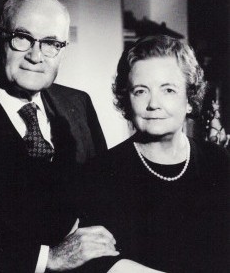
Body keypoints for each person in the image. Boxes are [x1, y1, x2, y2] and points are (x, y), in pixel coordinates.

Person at [0, 0, 118, 273]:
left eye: (51, 43)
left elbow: (103, 195)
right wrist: (48, 258)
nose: (36, 55)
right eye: (22, 38)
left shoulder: (78, 103)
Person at [81, 35, 229, 272]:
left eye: (168, 90)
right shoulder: (102, 172)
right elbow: (101, 263)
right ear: (127, 101)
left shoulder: (218, 162)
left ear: (189, 100)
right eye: (141, 91)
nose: (153, 104)